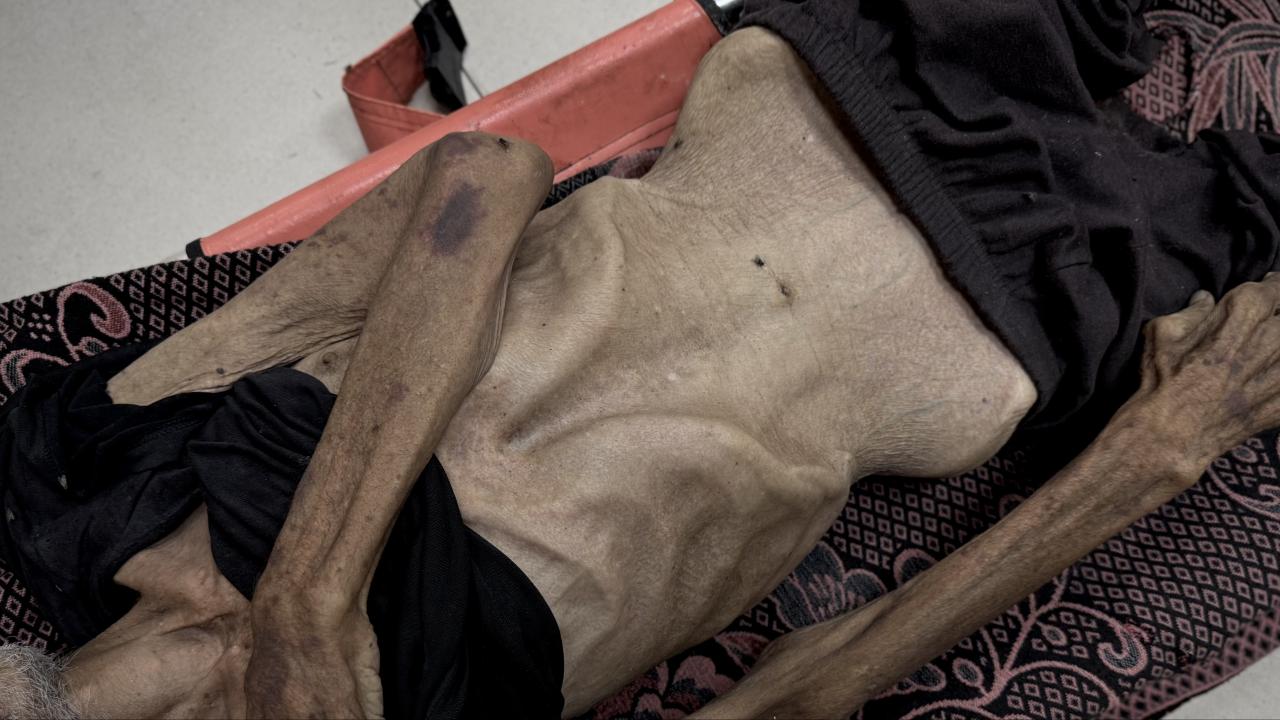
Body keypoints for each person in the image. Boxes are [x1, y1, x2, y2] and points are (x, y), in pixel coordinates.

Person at [3, 1, 1280, 717]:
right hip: (1027, 320)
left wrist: (309, 597)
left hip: (833, 109)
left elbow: (482, 179)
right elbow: (800, 692)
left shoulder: (93, 465)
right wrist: (1150, 454)